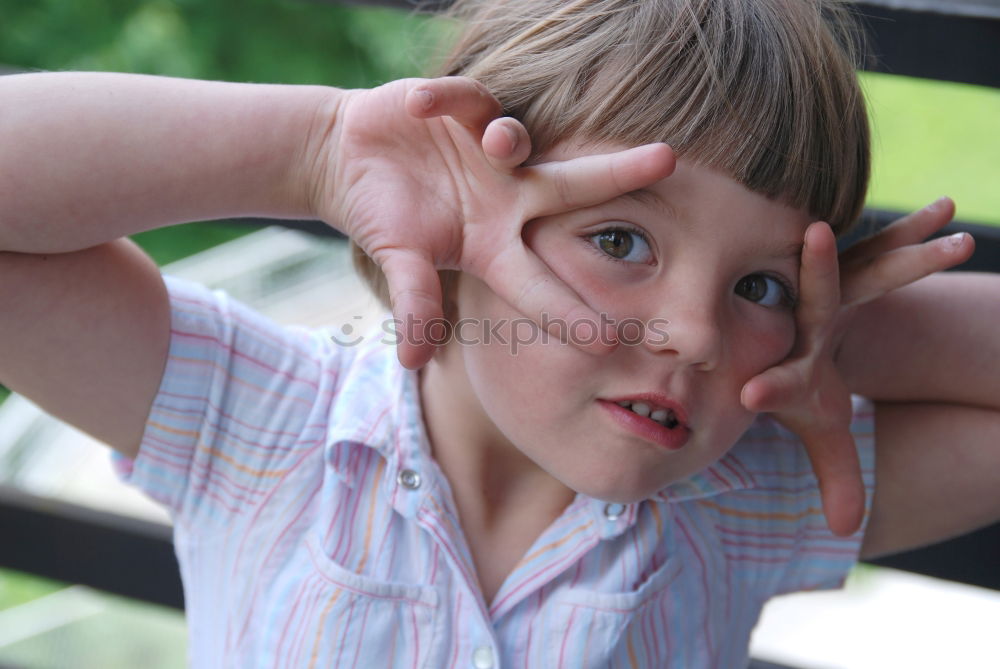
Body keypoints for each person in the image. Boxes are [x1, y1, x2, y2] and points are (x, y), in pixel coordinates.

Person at [1, 0, 998, 666]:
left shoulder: (735, 501)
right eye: (619, 237)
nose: (695, 333)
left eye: (757, 283)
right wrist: (309, 153)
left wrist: (828, 335)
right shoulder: (260, 422)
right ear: (446, 217)